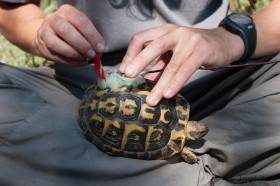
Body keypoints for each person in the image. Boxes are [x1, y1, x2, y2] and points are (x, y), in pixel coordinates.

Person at [0, 0, 279, 185]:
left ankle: (111, 169)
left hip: (215, 73)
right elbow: (11, 8)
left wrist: (230, 38)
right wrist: (40, 32)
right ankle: (212, 165)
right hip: (82, 90)